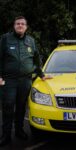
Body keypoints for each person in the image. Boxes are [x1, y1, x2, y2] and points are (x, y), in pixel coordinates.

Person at [0, 16, 52, 146]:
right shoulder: (5, 39)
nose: (20, 25)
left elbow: (36, 59)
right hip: (9, 80)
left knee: (22, 107)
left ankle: (19, 131)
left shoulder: (31, 41)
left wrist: (42, 75)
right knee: (8, 107)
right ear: (14, 26)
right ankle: (6, 135)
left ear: (26, 27)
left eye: (22, 24)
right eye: (17, 23)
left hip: (25, 81)